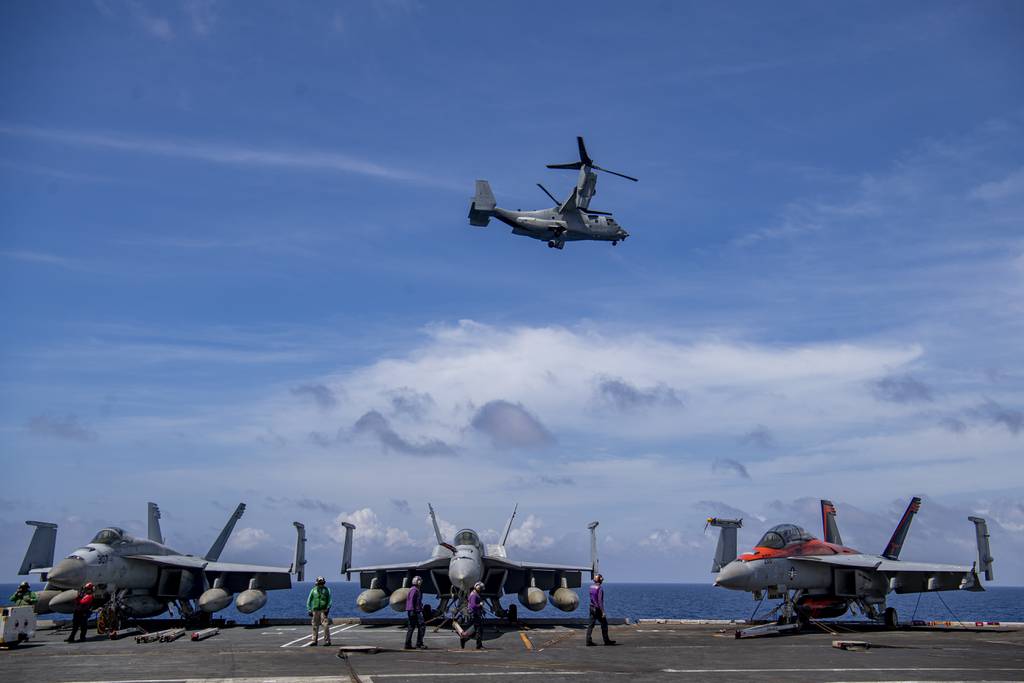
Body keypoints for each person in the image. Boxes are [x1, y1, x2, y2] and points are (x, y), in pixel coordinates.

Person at [586, 574, 616, 646]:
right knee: (604, 624)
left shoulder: (591, 587)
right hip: (597, 609)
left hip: (591, 607)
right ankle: (606, 641)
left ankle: (588, 641)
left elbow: (591, 598)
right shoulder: (600, 588)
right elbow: (600, 601)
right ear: (600, 580)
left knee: (590, 625)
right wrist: (603, 611)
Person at [306, 576, 332, 646]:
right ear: (317, 583)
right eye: (320, 583)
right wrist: (309, 609)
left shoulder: (327, 590)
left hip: (323, 610)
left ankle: (327, 641)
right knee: (314, 626)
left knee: (325, 625)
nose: (321, 584)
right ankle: (314, 640)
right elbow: (309, 600)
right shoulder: (313, 590)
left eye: (322, 583)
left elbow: (330, 600)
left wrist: (328, 608)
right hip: (315, 610)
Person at [404, 576, 427, 650]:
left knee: (411, 627)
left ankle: (408, 645)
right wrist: (412, 611)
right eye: (419, 580)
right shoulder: (414, 590)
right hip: (414, 612)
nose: (421, 582)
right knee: (422, 626)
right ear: (417, 581)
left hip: (413, 611)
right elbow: (411, 602)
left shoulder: (414, 589)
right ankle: (419, 644)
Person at [461, 582, 485, 650]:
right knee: (479, 630)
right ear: (477, 588)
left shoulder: (474, 594)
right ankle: (478, 645)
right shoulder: (474, 595)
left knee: (476, 629)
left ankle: (464, 639)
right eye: (480, 588)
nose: (481, 590)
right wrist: (480, 604)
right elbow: (473, 606)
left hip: (475, 614)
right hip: (474, 614)